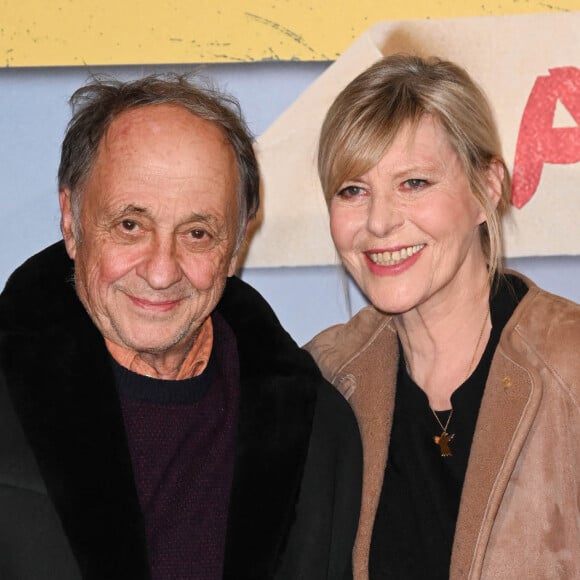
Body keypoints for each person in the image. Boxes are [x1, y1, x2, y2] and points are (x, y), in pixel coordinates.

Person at [0, 75, 362, 579]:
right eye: (131, 225)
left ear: (237, 243)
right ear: (70, 219)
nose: (161, 270)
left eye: (197, 233)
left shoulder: (318, 434)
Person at [306, 54, 580, 580]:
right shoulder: (324, 379)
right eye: (353, 190)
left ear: (488, 189)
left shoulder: (570, 364)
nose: (380, 223)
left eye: (414, 183)